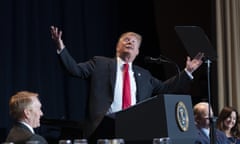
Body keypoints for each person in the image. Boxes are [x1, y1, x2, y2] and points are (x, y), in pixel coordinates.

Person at [50, 26, 204, 140]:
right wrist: (60, 48)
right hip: (105, 127)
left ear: (137, 51)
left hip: (135, 128)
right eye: (126, 40)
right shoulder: (100, 63)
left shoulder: (144, 75)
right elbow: (74, 70)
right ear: (118, 47)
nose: (130, 42)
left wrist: (187, 72)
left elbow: (164, 88)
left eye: (134, 42)